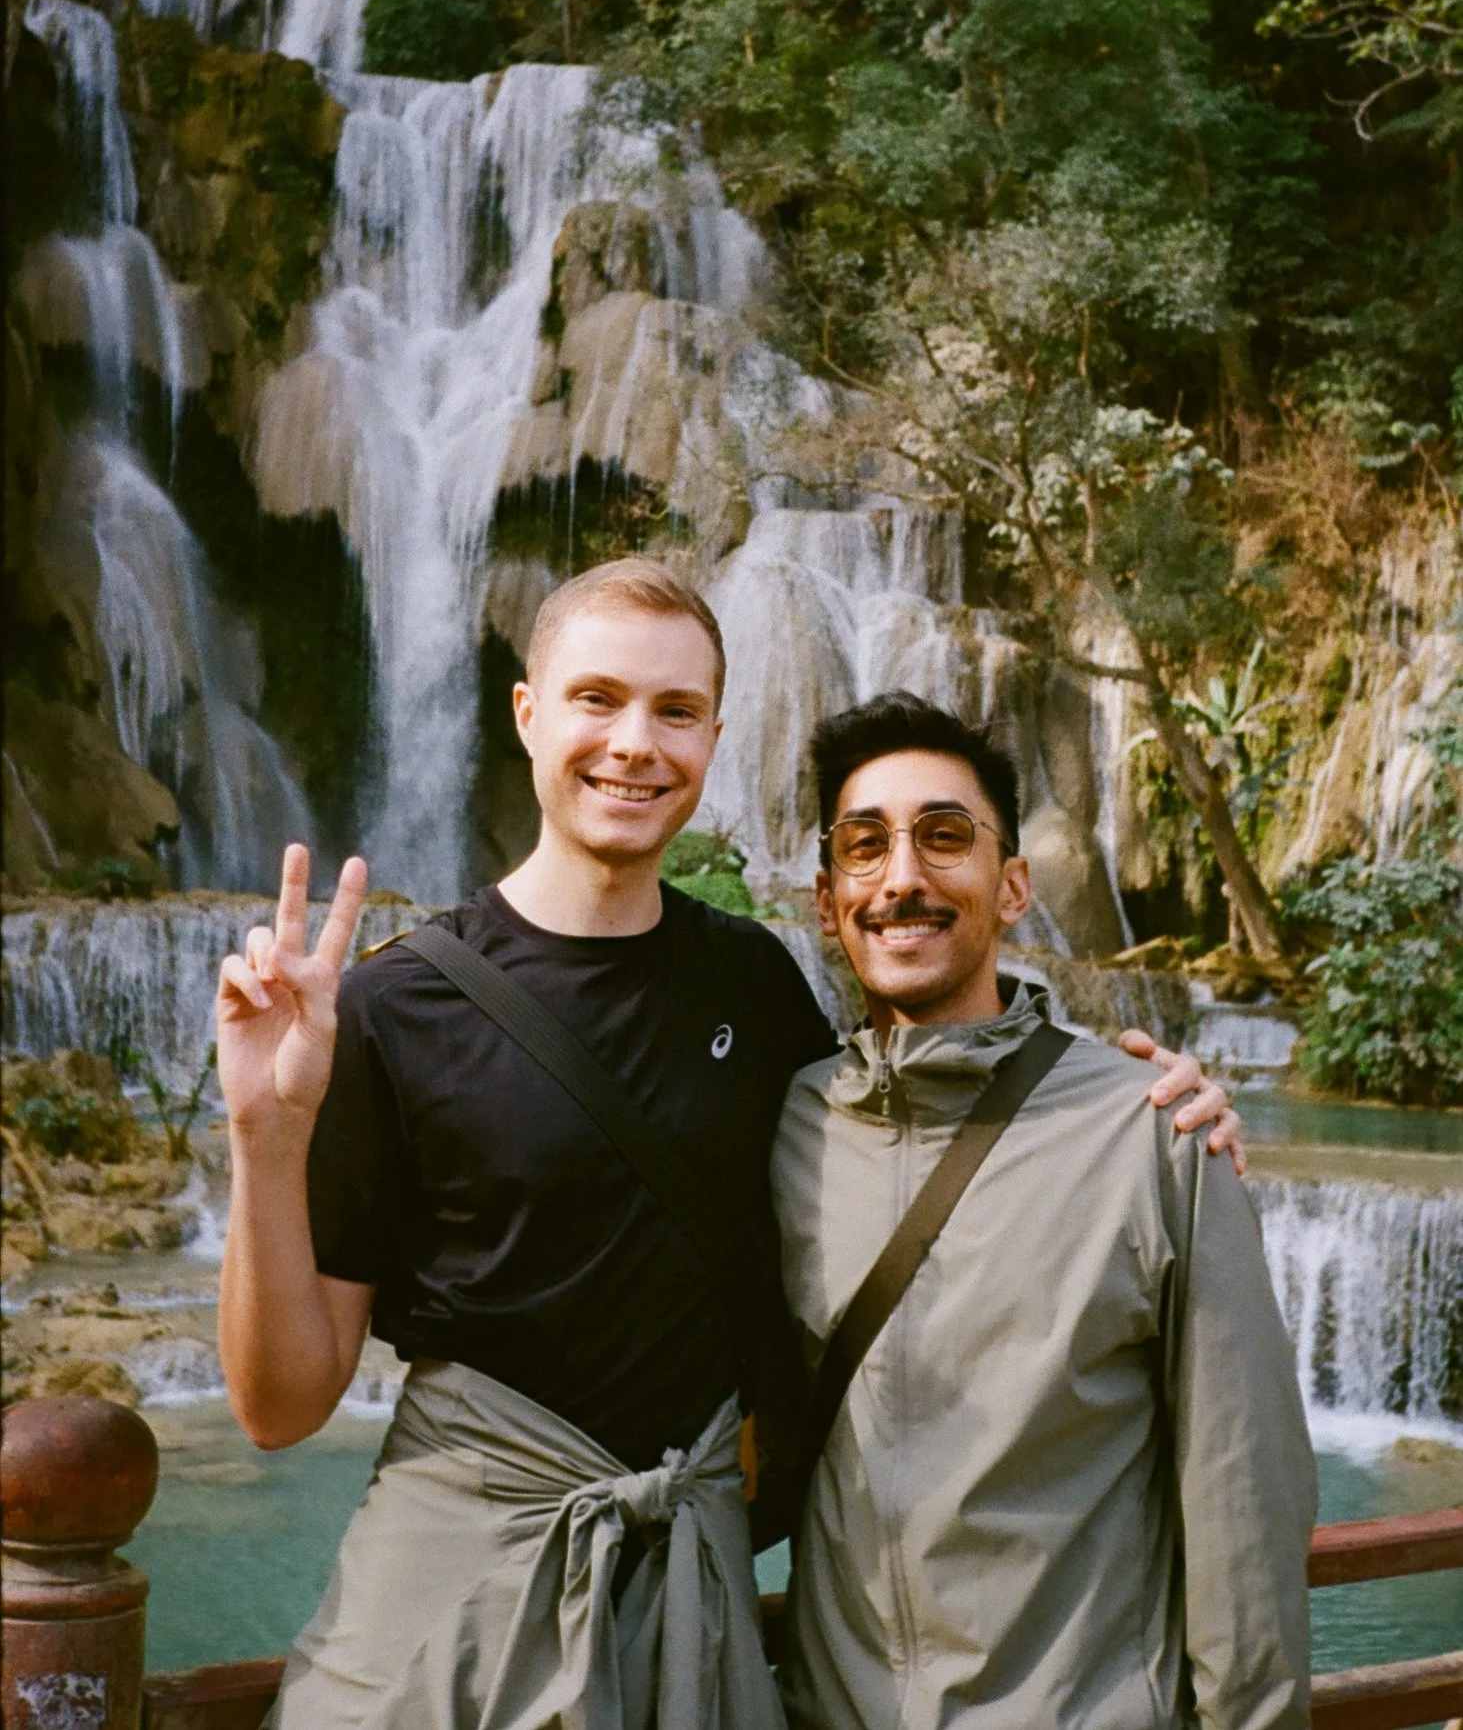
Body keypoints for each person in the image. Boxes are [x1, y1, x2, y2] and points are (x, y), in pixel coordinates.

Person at [215, 558, 1243, 1730]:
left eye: (675, 710)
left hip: (688, 1602)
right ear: (527, 712)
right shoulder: (390, 1008)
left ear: (711, 737)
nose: (633, 743)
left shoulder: (754, 985)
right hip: (456, 1597)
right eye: (597, 698)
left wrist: (1139, 1098)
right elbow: (278, 1407)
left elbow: (919, 1129)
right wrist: (262, 1133)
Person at [772, 691, 1316, 1730]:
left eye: (944, 836)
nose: (901, 876)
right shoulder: (786, 1125)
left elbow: (1241, 1498)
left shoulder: (1153, 1133)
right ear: (827, 898)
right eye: (864, 844)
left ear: (1013, 885)